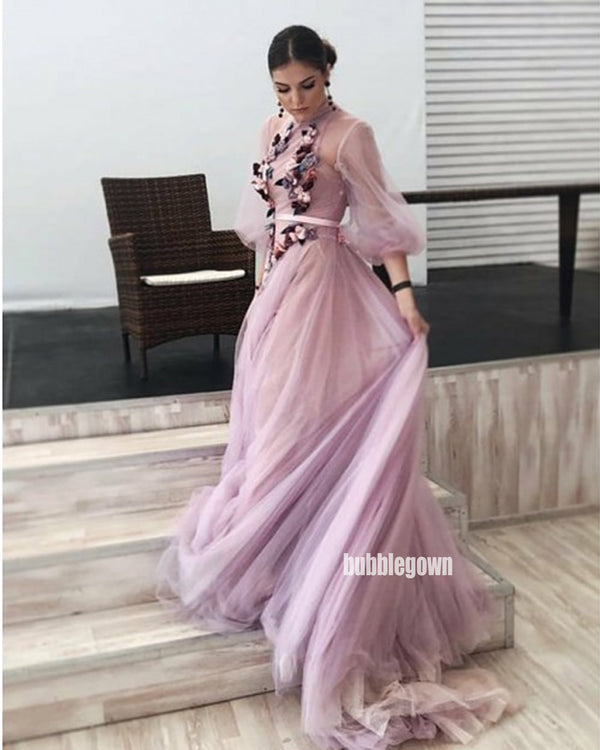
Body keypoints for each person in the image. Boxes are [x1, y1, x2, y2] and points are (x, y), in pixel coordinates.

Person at [155, 24, 523, 750]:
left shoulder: (352, 135)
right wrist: (260, 294)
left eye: (308, 85)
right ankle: (277, 557)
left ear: (328, 73)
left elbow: (381, 221)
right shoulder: (271, 129)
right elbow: (265, 220)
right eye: (282, 89)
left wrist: (404, 298)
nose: (295, 100)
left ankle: (322, 567)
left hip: (328, 283)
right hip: (278, 292)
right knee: (273, 421)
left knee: (308, 421)